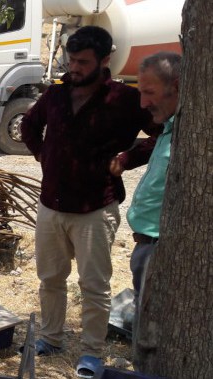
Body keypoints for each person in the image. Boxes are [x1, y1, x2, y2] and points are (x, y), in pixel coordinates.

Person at [19, 26, 156, 378]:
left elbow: (162, 133)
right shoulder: (56, 93)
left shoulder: (124, 99)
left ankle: (92, 354)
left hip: (95, 208)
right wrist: (43, 157)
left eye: (82, 62)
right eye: (70, 59)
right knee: (50, 278)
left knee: (93, 285)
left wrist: (127, 159)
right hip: (51, 206)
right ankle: (50, 338)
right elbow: (29, 126)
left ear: (105, 60)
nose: (74, 67)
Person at [110, 52, 181, 302]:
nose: (142, 103)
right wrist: (126, 159)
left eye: (149, 92)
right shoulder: (173, 128)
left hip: (164, 249)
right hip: (149, 246)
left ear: (176, 86)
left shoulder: (194, 136)